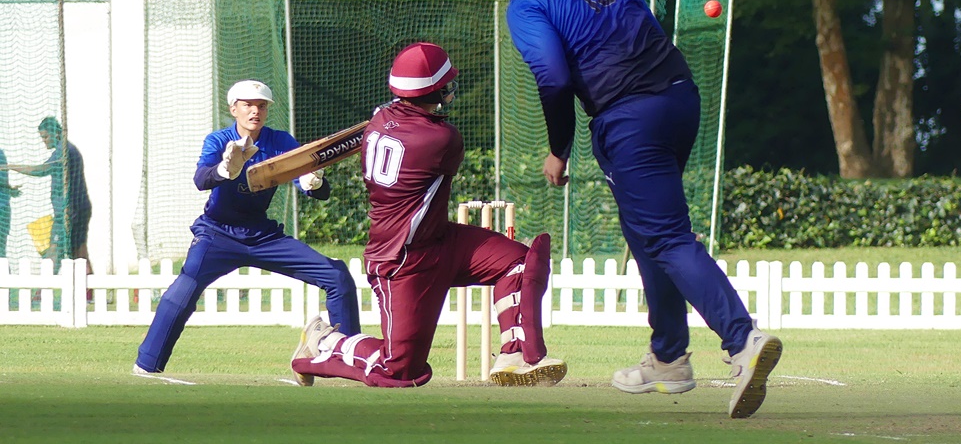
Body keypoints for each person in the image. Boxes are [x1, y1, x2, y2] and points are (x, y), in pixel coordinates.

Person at [502, 0, 782, 418]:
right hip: (680, 98)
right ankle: (669, 357)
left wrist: (558, 148)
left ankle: (743, 341)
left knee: (667, 236)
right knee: (648, 233)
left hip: (631, 120)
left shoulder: (527, 2)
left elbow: (554, 78)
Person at [290, 42, 566, 388]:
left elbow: (392, 122)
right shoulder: (443, 138)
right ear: (435, 90)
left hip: (441, 239)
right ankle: (325, 341)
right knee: (400, 371)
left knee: (517, 261)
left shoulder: (379, 120)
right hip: (402, 260)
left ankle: (516, 354)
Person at [134, 80, 361, 374]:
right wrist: (223, 170)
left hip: (263, 236)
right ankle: (147, 366)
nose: (255, 111)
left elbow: (319, 189)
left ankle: (353, 359)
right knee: (185, 287)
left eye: (262, 106)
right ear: (234, 109)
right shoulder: (218, 140)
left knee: (337, 275)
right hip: (217, 233)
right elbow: (201, 180)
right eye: (248, 105)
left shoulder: (280, 142)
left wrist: (313, 183)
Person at [1, 117, 91, 266]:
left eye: (45, 137)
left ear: (56, 133)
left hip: (71, 210)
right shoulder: (64, 149)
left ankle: (42, 289)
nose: (44, 141)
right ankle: (87, 290)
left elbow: (41, 170)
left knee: (55, 250)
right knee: (79, 253)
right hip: (75, 208)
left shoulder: (64, 151)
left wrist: (9, 166)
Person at [0, 147, 21, 258]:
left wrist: (9, 188)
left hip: (2, 207)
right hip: (3, 207)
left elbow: (2, 179)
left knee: (1, 247)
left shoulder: (0, 154)